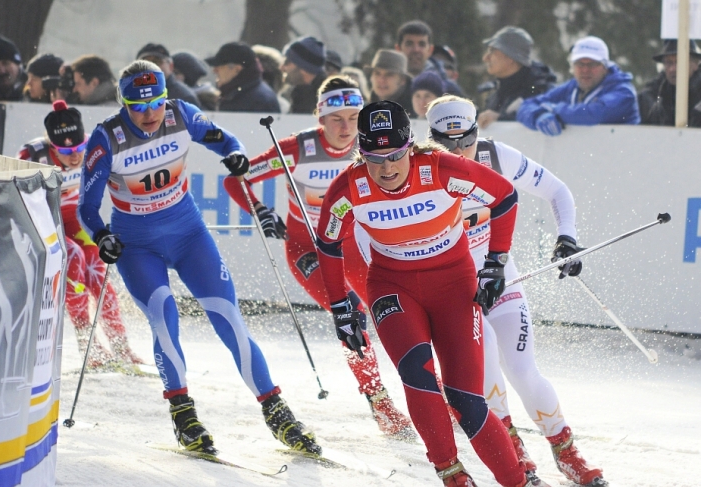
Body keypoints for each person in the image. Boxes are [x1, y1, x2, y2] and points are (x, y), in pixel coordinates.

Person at [77, 60, 321, 456]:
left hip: (189, 235)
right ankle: (183, 413)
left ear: (165, 97)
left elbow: (225, 141)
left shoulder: (180, 115)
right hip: (137, 246)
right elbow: (87, 208)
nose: (148, 114)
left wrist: (237, 155)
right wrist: (103, 236)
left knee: (228, 317)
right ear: (123, 103)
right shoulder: (108, 138)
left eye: (154, 103)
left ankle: (276, 410)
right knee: (164, 316)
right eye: (136, 107)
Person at [314, 100, 548, 487]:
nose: (386, 169)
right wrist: (340, 306)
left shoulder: (442, 168)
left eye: (394, 156)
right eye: (374, 158)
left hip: (454, 285)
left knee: (466, 400)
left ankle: (516, 482)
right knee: (417, 374)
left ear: (411, 146)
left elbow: (505, 196)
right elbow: (328, 242)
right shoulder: (350, 187)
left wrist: (494, 263)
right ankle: (451, 474)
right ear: (361, 152)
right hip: (393, 286)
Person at [425, 96, 607, 487]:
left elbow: (558, 191)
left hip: (501, 278)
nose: (459, 152)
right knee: (487, 365)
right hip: (453, 290)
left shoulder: (497, 156)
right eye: (447, 143)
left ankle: (567, 451)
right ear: (431, 138)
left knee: (523, 370)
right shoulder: (418, 169)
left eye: (466, 140)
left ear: (477, 132)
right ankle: (514, 453)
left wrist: (567, 240)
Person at [223, 75, 415, 440]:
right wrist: (261, 211)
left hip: (353, 247)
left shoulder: (373, 148)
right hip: (307, 249)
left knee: (396, 310)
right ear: (319, 118)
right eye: (336, 119)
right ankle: (379, 401)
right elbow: (236, 181)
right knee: (352, 316)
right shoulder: (297, 149)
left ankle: (432, 388)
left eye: (353, 117)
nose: (346, 128)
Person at [17, 100, 143, 367]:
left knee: (98, 268)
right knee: (73, 258)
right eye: (66, 150)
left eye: (78, 148)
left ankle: (121, 347)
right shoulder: (32, 156)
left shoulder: (93, 147)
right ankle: (89, 346)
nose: (75, 156)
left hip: (75, 219)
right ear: (52, 146)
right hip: (45, 223)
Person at [517, 36, 640, 135]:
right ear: (572, 66)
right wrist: (538, 115)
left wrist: (553, 109)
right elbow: (526, 106)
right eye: (579, 64)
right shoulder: (571, 87)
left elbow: (593, 114)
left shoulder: (624, 91)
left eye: (592, 64)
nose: (585, 70)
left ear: (605, 67)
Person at [478, 26, 557, 129]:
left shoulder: (539, 89)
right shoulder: (497, 91)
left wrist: (501, 118)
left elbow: (545, 118)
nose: (485, 58)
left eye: (492, 51)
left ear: (511, 57)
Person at [638, 39, 701, 127]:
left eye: (679, 62)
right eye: (668, 63)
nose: (672, 69)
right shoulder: (660, 103)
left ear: (695, 64)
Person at [205, 41, 280, 113]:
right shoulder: (238, 94)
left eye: (219, 66)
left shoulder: (260, 101)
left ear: (237, 69)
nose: (214, 71)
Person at [395, 20, 463, 95]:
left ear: (430, 50)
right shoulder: (384, 86)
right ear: (398, 49)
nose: (416, 50)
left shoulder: (448, 90)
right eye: (409, 44)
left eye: (422, 44)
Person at [281, 36, 327, 114]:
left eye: (287, 62)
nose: (282, 67)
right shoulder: (300, 93)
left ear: (304, 68)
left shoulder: (325, 101)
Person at [365, 49, 414, 114]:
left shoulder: (417, 110)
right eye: (377, 73)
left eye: (389, 74)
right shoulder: (362, 110)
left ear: (402, 80)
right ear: (371, 77)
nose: (381, 80)